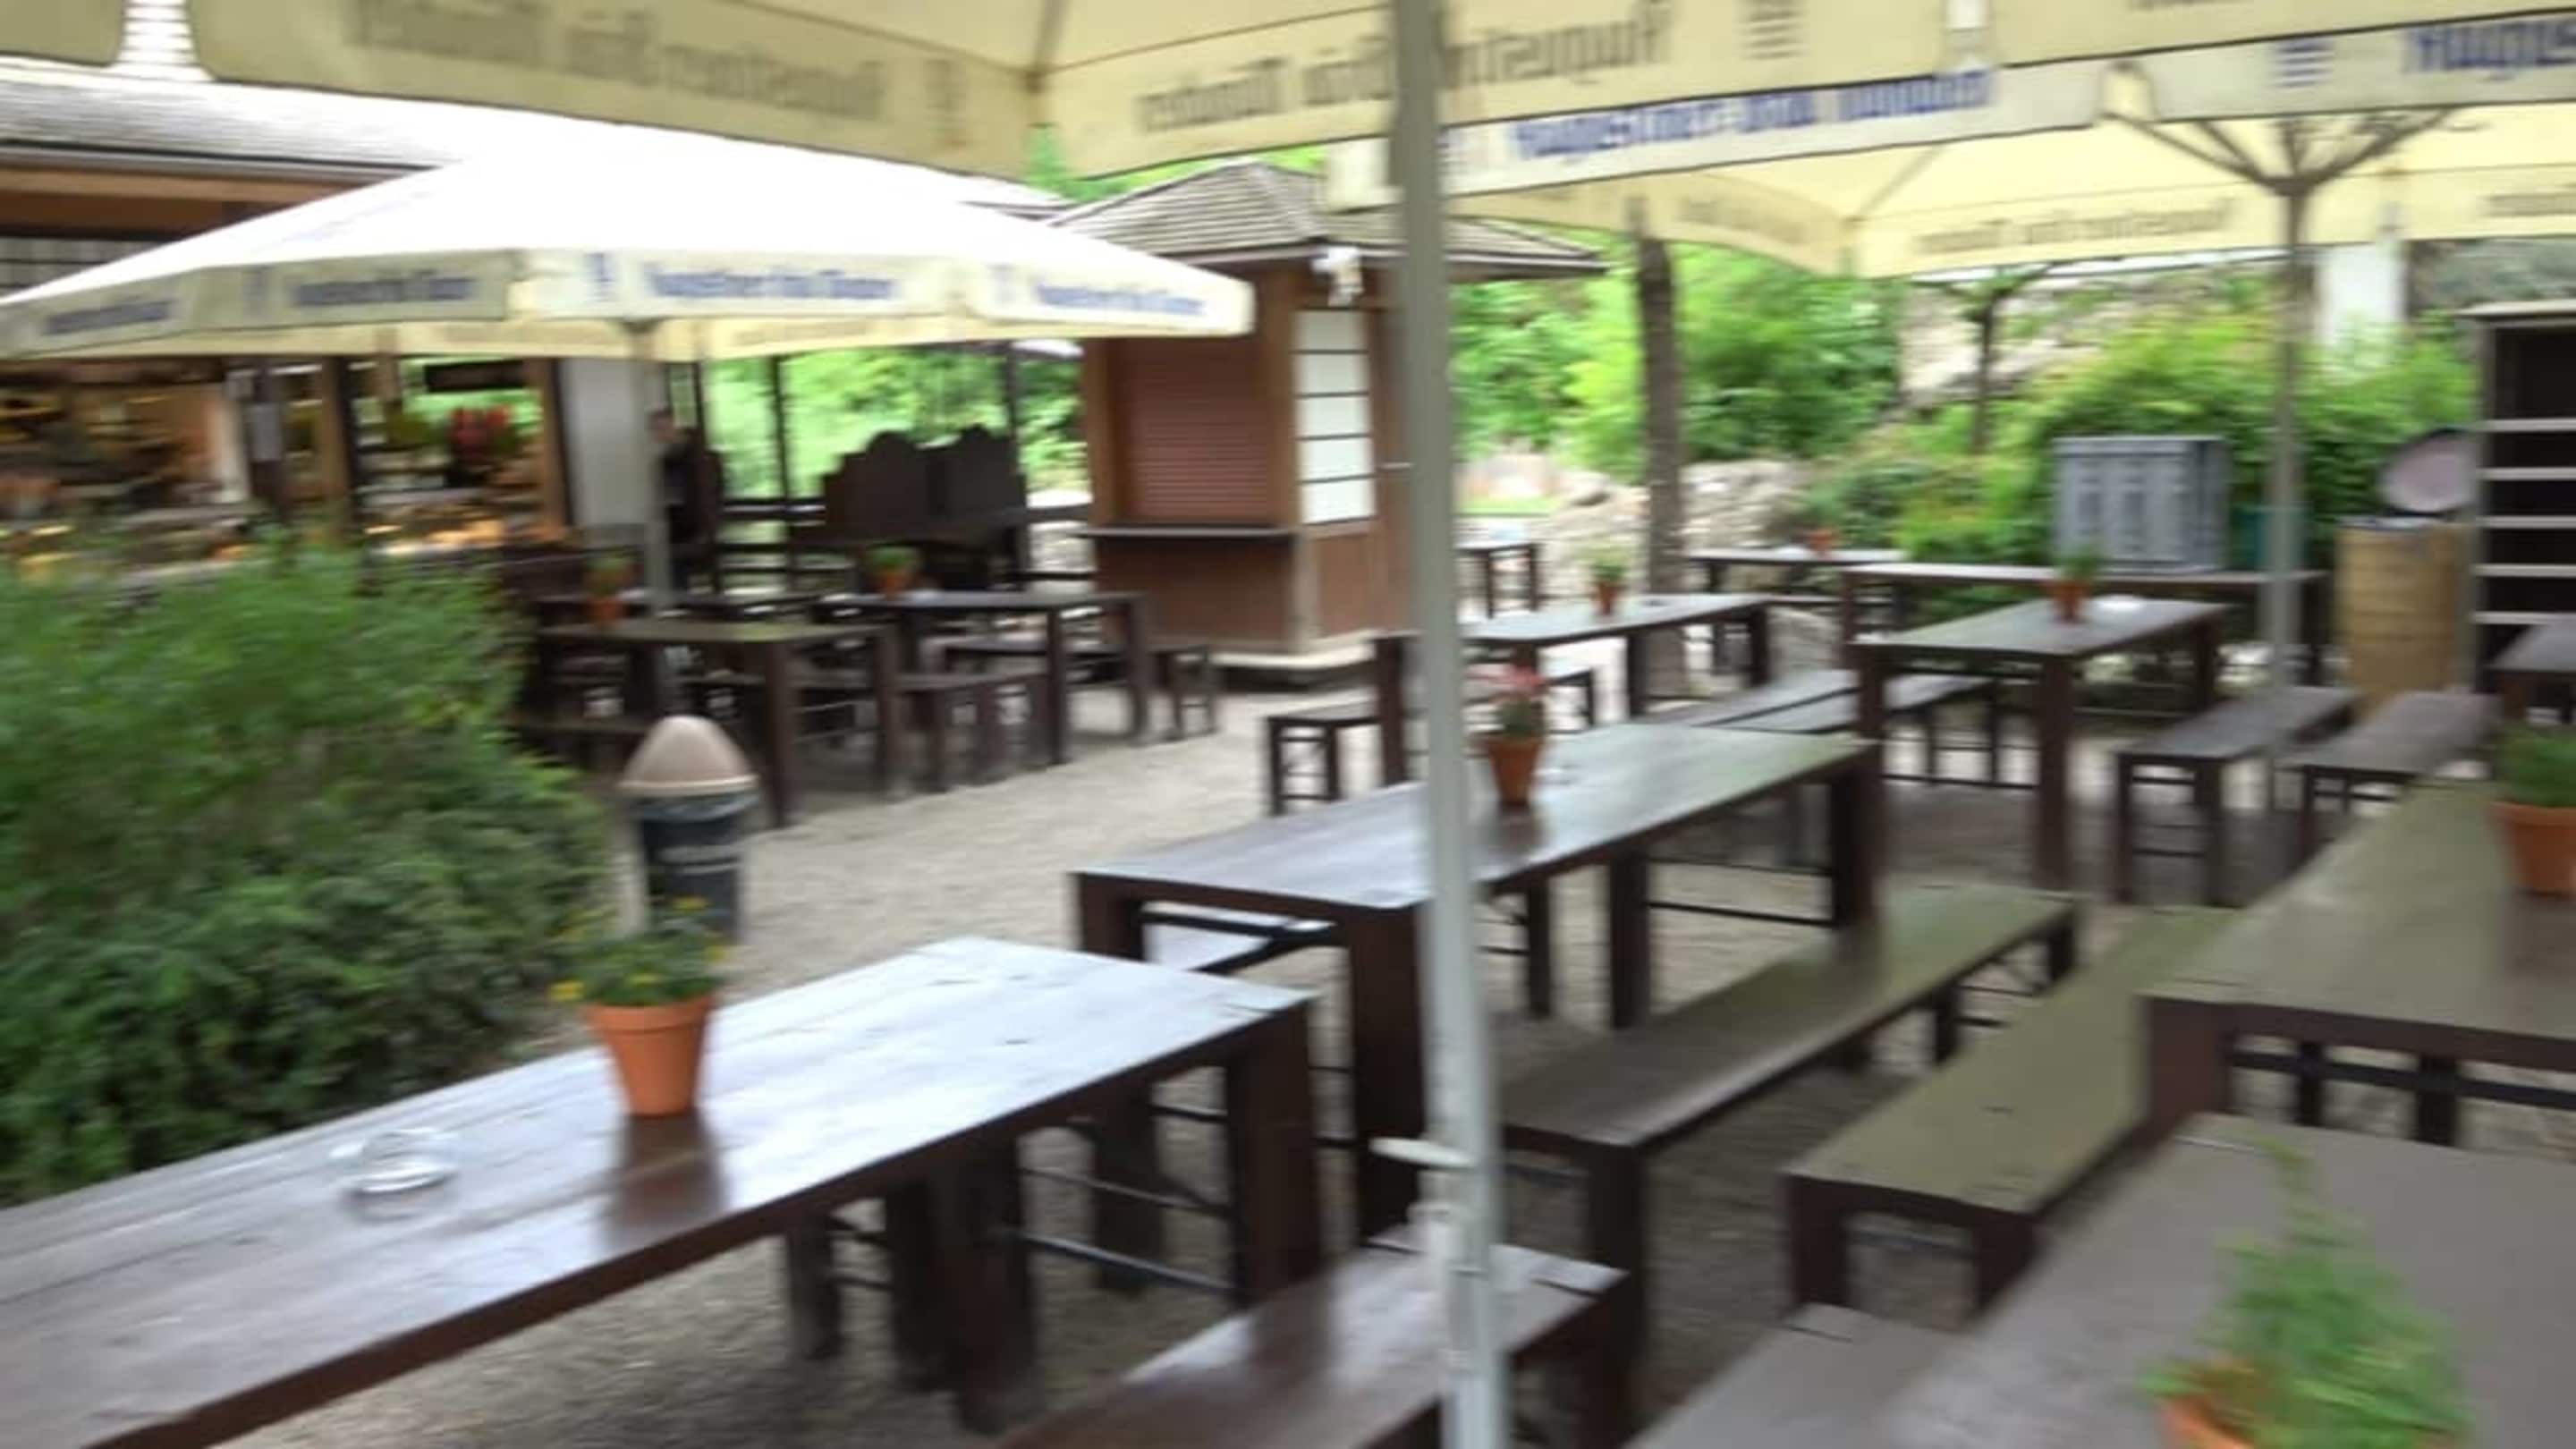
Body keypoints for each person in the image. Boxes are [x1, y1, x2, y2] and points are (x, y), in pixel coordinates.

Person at [649, 409, 724, 575]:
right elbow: (665, 498)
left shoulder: (704, 459)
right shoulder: (664, 462)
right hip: (675, 532)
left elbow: (712, 497)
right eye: (654, 430)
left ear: (676, 427)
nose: (657, 435)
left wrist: (707, 531)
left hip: (697, 531)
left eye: (662, 428)